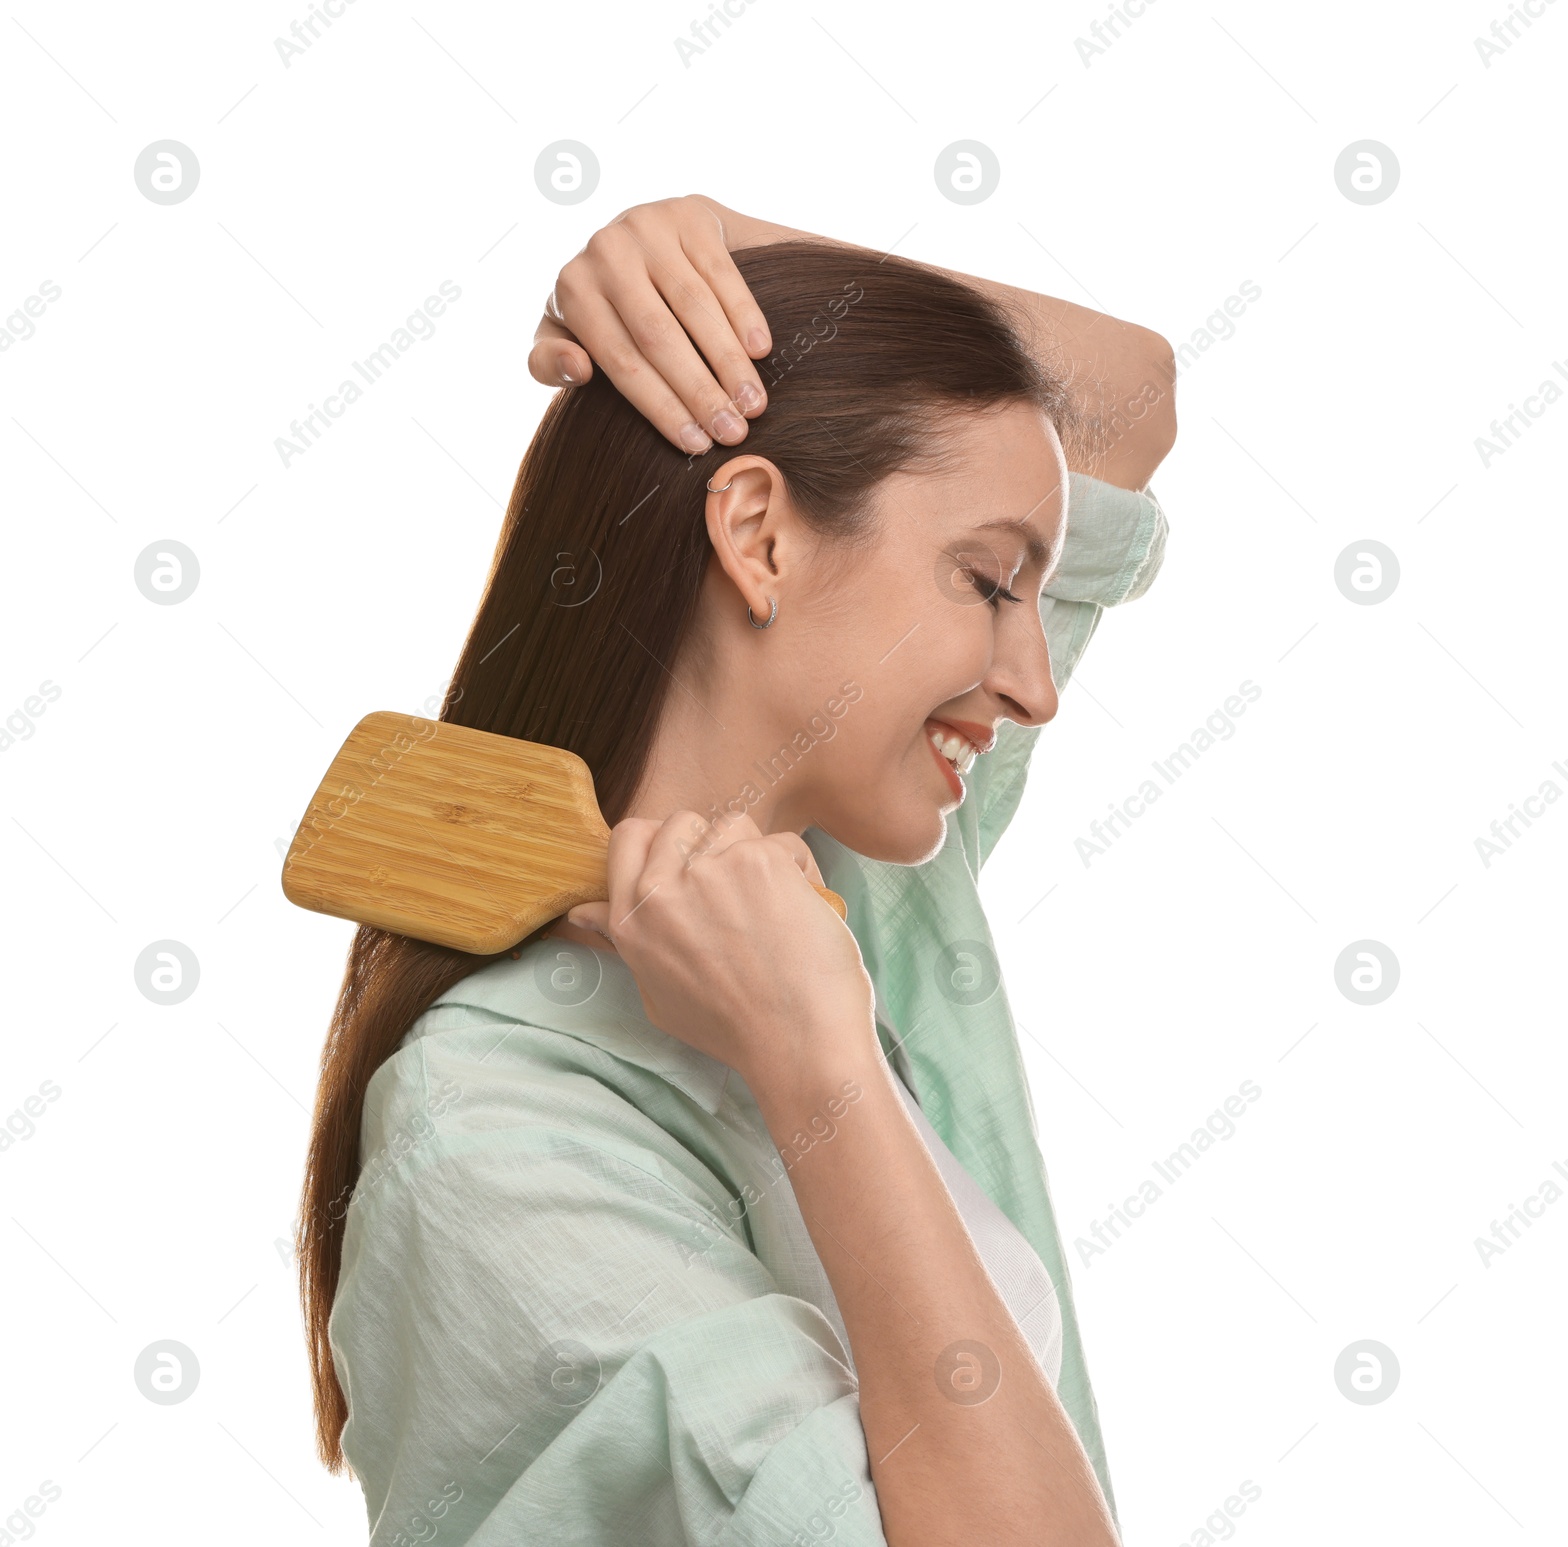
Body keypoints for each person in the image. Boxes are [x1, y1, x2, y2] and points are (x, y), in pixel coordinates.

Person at [301, 196, 1176, 1546]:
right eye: (991, 581)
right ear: (762, 536)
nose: (1038, 685)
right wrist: (817, 1065)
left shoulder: (856, 883)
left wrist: (711, 246)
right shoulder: (491, 1138)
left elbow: (1122, 394)